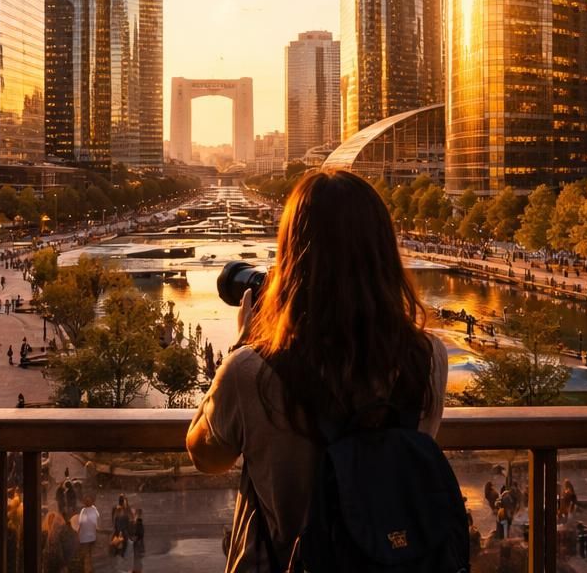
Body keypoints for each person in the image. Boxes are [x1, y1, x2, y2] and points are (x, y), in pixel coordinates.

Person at [185, 170, 450, 573]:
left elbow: (206, 456)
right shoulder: (428, 358)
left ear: (292, 255)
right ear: (384, 253)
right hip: (395, 560)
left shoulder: (252, 371)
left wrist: (243, 342)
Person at [77, 495, 101, 571]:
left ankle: (87, 569)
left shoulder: (83, 511)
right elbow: (98, 518)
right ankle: (90, 568)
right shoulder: (94, 509)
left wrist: (77, 533)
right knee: (90, 553)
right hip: (92, 536)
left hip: (84, 537)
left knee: (86, 554)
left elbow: (80, 523)